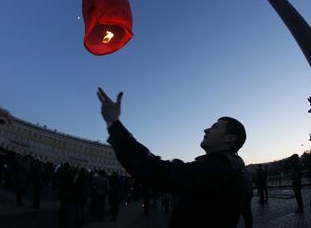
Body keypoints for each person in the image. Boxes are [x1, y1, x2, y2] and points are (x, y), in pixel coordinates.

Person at [96, 87, 246, 228]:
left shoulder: (220, 167)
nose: (206, 129)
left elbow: (158, 172)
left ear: (230, 138)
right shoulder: (226, 166)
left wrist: (114, 124)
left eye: (215, 127)